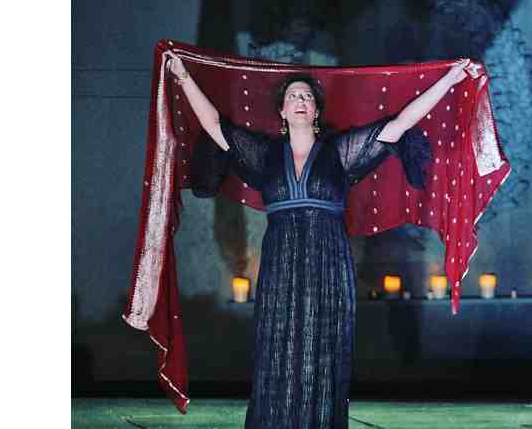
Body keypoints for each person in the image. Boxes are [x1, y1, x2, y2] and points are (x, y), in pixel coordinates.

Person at [164, 49, 470, 429]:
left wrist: (450, 80)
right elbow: (213, 124)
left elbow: (400, 123)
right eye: (293, 96)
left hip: (329, 263)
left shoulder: (339, 153)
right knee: (278, 349)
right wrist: (182, 76)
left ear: (315, 111)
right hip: (280, 265)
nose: (300, 100)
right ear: (282, 111)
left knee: (323, 351)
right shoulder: (264, 155)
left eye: (307, 96)